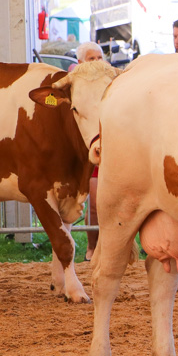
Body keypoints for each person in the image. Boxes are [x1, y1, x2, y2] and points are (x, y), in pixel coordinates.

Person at [77, 42, 106, 261]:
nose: (97, 63)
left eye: (99, 58)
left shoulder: (112, 82)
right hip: (86, 151)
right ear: (80, 63)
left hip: (112, 146)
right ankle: (92, 248)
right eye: (91, 59)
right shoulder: (75, 87)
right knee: (94, 205)